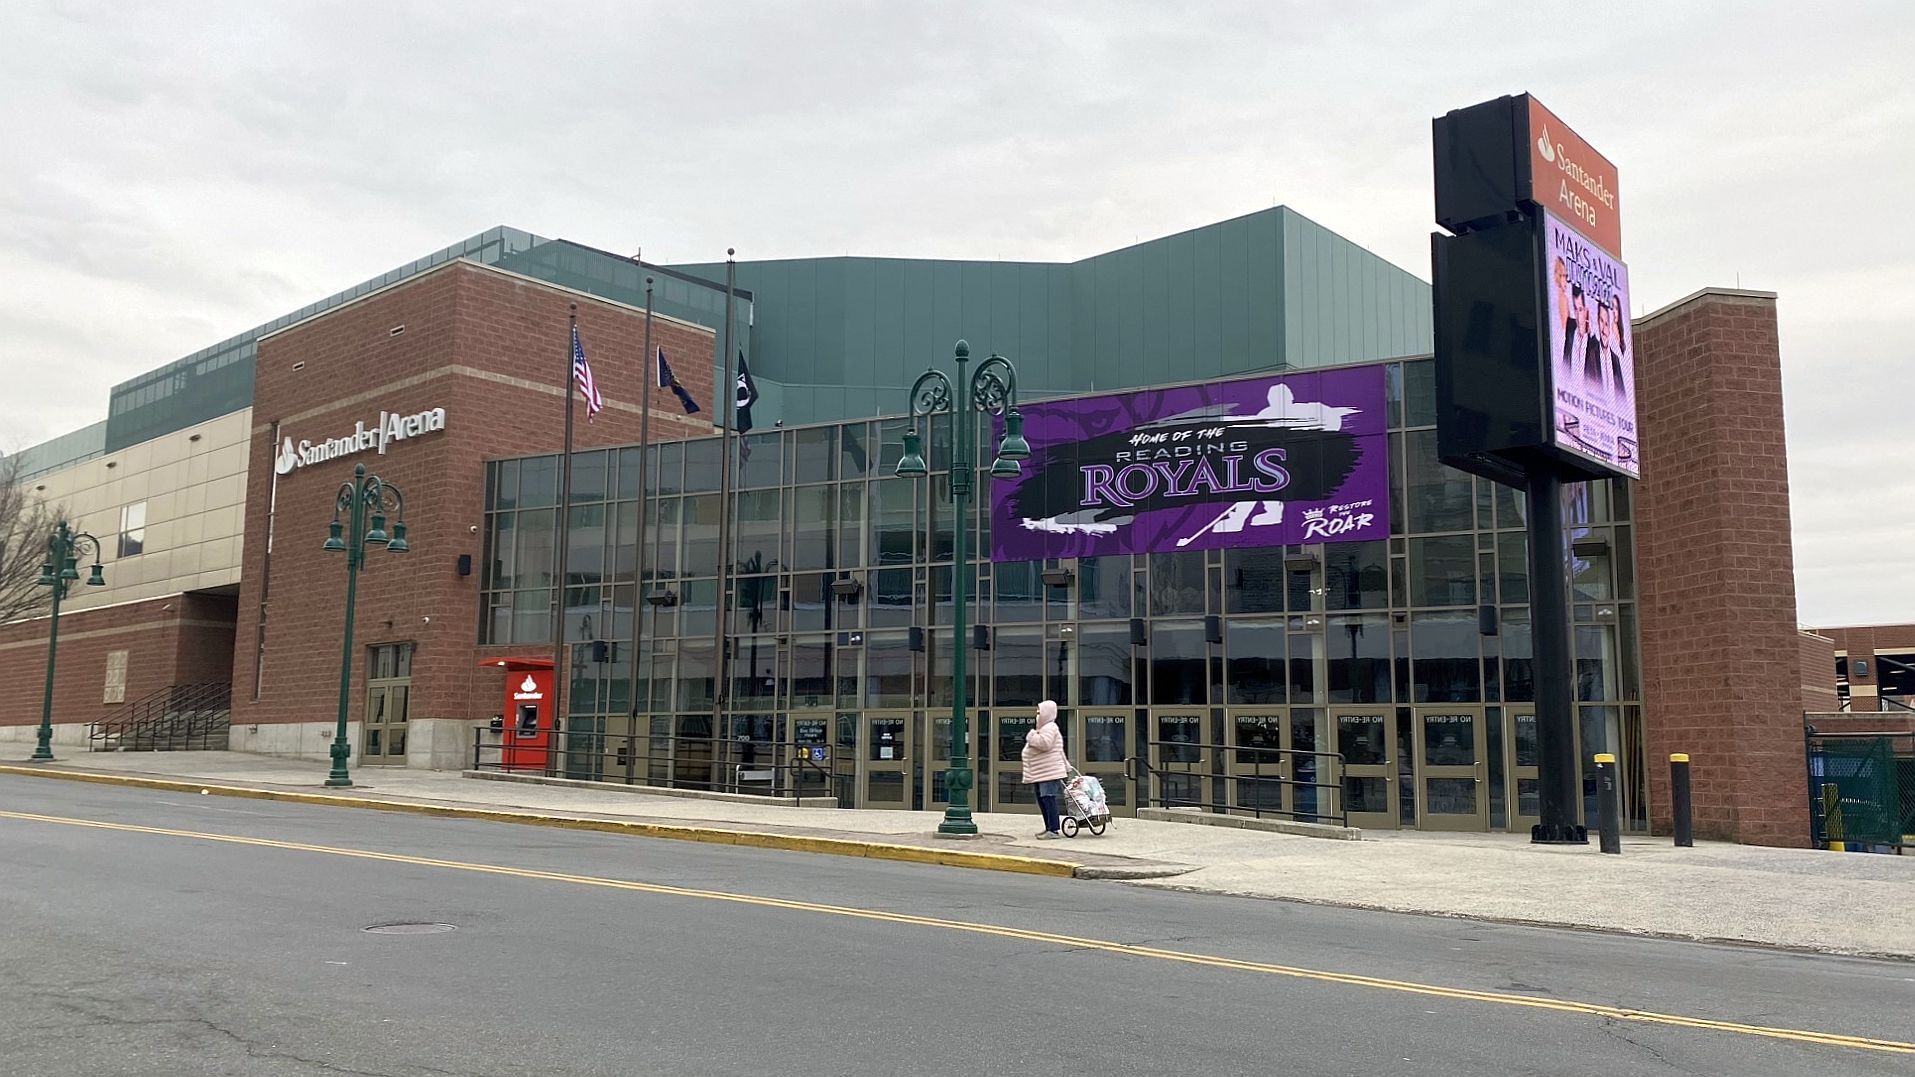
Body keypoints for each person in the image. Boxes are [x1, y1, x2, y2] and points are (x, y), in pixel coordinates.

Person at [1021, 699, 1069, 838]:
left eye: (1039, 712)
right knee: (1042, 800)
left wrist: (1031, 737)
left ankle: (1053, 829)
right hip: (1041, 772)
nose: (1037, 715)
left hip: (1048, 772)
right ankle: (1048, 827)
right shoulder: (1044, 729)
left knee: (1048, 799)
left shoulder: (1050, 727)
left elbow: (1045, 744)